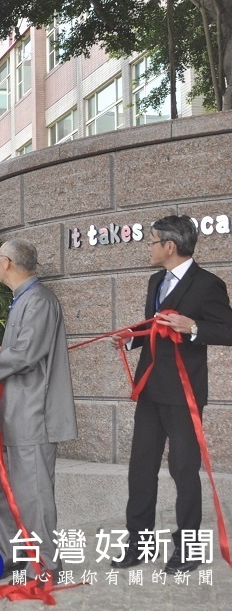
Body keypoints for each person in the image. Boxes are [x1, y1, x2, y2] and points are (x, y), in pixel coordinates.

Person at [116, 215, 232, 573]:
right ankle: (140, 543)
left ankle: (189, 549)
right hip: (150, 390)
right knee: (141, 470)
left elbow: (227, 329)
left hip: (184, 394)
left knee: (184, 471)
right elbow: (153, 324)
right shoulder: (156, 281)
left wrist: (194, 327)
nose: (148, 247)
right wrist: (132, 337)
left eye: (151, 241)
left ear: (169, 246)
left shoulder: (208, 284)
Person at [0, 239, 77, 579]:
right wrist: (0, 354)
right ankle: (12, 556)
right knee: (5, 491)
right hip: (15, 414)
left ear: (6, 263)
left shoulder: (38, 300)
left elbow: (25, 354)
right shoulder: (25, 299)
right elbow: (22, 350)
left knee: (33, 494)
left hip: (32, 414)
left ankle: (48, 565)